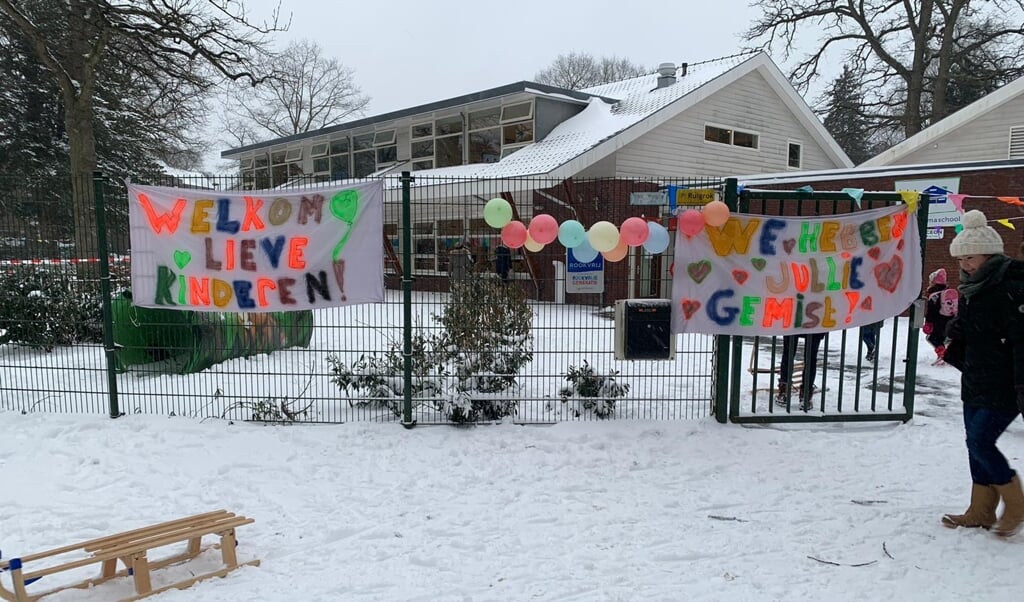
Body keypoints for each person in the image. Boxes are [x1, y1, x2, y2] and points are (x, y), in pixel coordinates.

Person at [940, 209, 1024, 537]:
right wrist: (956, 332)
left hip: (1004, 383)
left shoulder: (1011, 286)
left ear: (990, 254)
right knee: (973, 442)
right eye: (960, 260)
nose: (964, 266)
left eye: (969, 258)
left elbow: (1020, 340)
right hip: (975, 378)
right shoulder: (972, 288)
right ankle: (980, 511)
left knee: (980, 439)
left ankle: (1015, 502)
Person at [775, 332, 825, 411]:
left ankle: (785, 391)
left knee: (789, 354)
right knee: (810, 358)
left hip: (794, 324)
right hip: (814, 325)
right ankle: (805, 395)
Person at [923, 268, 958, 364]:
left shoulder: (934, 295)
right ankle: (947, 354)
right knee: (942, 338)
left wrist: (928, 323)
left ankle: (942, 354)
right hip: (949, 319)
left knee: (931, 338)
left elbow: (932, 311)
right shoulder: (946, 292)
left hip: (938, 321)